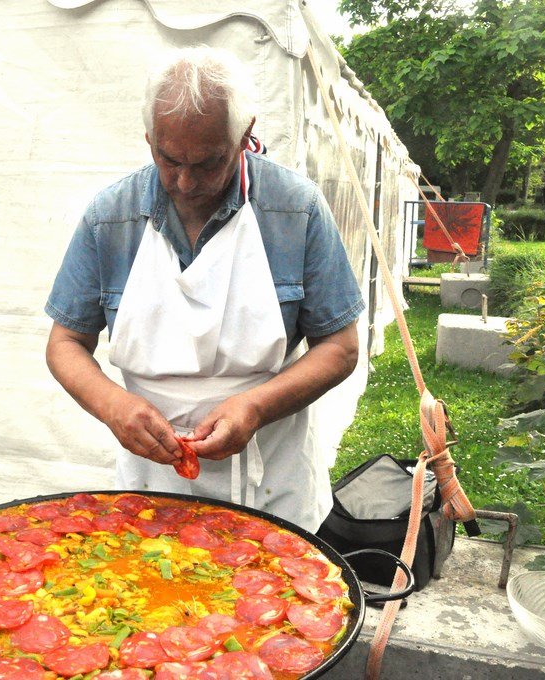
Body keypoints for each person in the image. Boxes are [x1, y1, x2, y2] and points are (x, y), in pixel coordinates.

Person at [44, 46, 363, 532]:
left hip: (269, 478)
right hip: (151, 481)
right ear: (150, 137)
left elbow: (339, 347)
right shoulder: (111, 218)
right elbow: (65, 343)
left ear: (244, 134)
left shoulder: (295, 211)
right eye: (168, 159)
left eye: (209, 163)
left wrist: (255, 407)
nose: (185, 182)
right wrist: (114, 406)